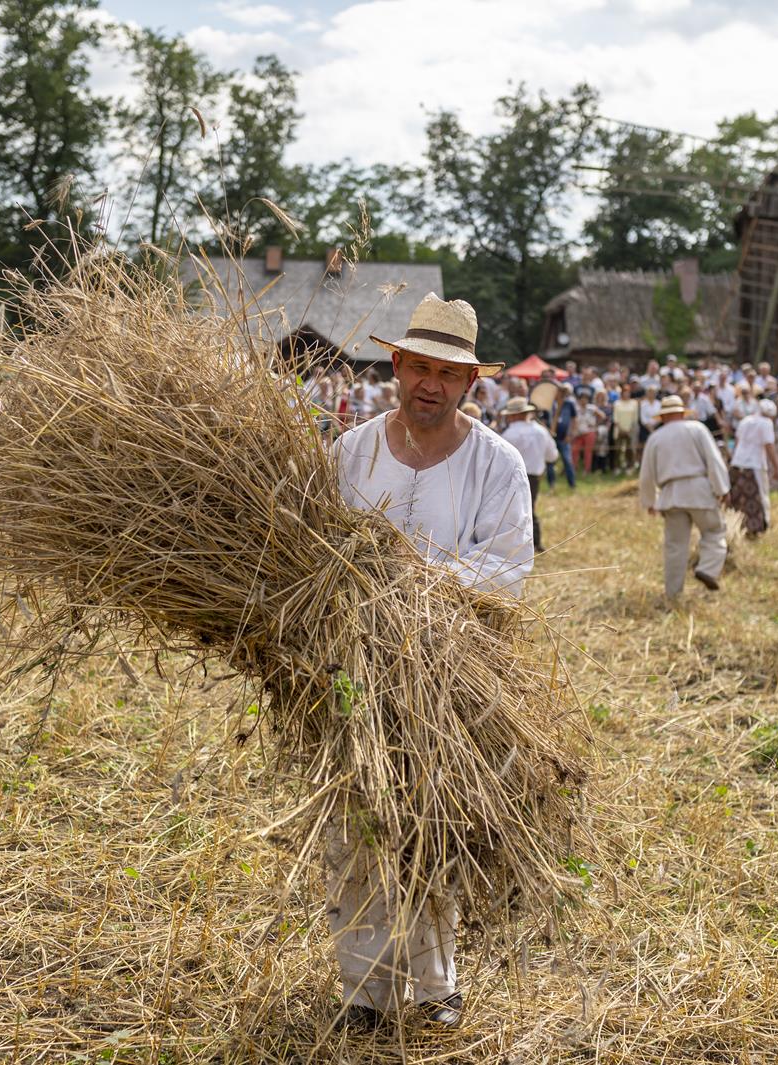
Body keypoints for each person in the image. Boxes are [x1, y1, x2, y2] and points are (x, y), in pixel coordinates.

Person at [330, 293, 530, 1030]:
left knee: (432, 823)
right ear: (396, 365)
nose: (430, 384)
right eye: (419, 367)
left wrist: (415, 582)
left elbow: (508, 568)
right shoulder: (350, 453)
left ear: (471, 381)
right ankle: (364, 990)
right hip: (350, 670)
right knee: (353, 824)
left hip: (449, 678)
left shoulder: (497, 463)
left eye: (447, 373)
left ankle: (434, 985)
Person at [638, 394, 729, 599]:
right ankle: (707, 569)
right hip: (699, 492)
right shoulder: (697, 429)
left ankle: (673, 593)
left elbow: (646, 474)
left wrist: (649, 501)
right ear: (682, 413)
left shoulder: (655, 438)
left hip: (671, 495)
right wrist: (722, 488)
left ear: (663, 416)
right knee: (714, 531)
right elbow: (714, 461)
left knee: (675, 546)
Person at [501, 397, 559, 553]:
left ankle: (518, 544)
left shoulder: (508, 434)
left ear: (514, 415)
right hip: (534, 477)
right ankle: (534, 542)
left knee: (512, 511)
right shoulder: (541, 431)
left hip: (512, 477)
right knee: (529, 508)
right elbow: (552, 456)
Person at [727, 398, 778, 538]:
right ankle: (760, 526)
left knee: (737, 496)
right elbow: (769, 447)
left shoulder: (745, 420)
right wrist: (777, 468)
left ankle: (736, 525)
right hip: (755, 464)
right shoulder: (766, 423)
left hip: (738, 462)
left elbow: (737, 441)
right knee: (760, 496)